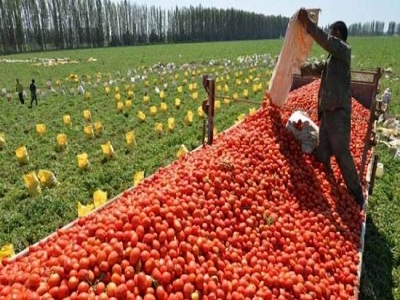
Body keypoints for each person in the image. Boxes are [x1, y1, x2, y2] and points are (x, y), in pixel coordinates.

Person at [298, 8, 364, 208]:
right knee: (323, 152)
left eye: (333, 33)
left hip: (338, 112)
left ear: (340, 36)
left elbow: (328, 42)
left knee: (342, 152)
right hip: (327, 113)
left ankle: (356, 194)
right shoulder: (331, 60)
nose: (331, 36)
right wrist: (298, 67)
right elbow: (317, 68)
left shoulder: (344, 50)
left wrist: (308, 25)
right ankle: (330, 186)